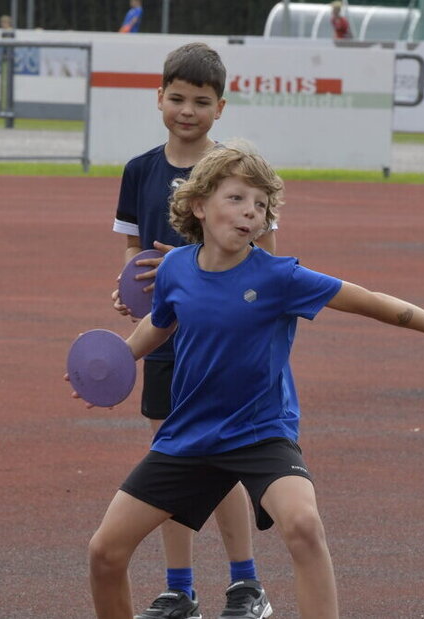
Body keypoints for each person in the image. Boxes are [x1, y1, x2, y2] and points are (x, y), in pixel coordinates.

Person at [83, 142, 424, 619]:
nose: (250, 212)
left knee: (304, 526)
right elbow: (161, 322)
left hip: (260, 432)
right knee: (104, 552)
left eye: (260, 204)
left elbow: (369, 300)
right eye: (237, 198)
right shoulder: (175, 268)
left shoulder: (279, 277)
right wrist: (117, 361)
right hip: (190, 433)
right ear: (199, 205)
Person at [111, 42, 277, 619]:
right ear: (159, 97)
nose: (187, 111)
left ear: (220, 107)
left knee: (222, 462)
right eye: (177, 98)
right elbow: (134, 253)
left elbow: (268, 255)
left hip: (223, 345)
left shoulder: (236, 172)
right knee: (171, 460)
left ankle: (246, 584)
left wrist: (200, 270)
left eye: (201, 102)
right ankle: (179, 589)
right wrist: (132, 289)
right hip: (165, 343)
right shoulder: (140, 170)